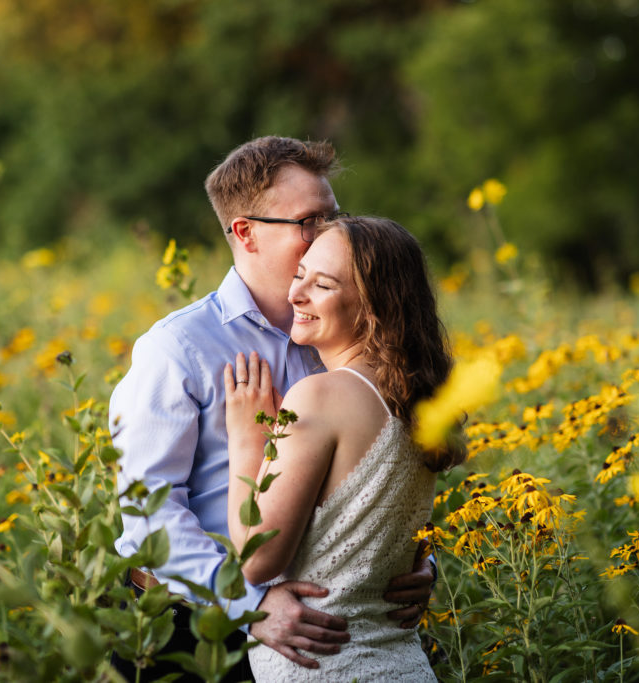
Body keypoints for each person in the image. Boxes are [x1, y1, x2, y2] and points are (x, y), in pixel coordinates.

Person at [110, 137, 435, 680]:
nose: (329, 235)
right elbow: (148, 517)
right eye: (309, 221)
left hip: (328, 633)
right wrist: (250, 603)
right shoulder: (178, 349)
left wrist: (416, 560)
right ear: (245, 233)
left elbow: (379, 473)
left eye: (334, 216)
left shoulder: (352, 332)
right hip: (189, 632)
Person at [224, 216, 465, 681]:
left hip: (325, 666)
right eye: (300, 276)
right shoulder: (418, 401)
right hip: (403, 665)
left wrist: (246, 439)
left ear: (372, 305)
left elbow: (256, 560)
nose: (296, 295)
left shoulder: (321, 396)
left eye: (323, 285)